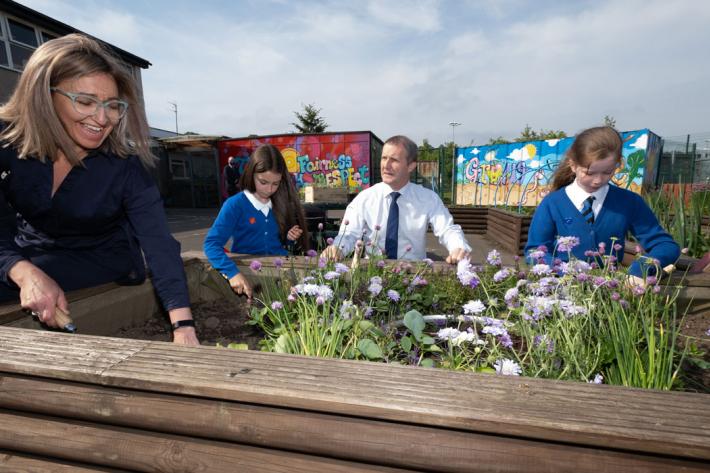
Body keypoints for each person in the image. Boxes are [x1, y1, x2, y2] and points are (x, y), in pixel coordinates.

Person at [0, 34, 198, 346]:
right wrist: (22, 271)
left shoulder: (125, 167)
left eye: (112, 105)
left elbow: (159, 244)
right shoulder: (7, 143)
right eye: (86, 101)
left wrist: (183, 325)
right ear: (45, 96)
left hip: (99, 258)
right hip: (26, 251)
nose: (103, 118)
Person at [524, 126, 680, 278]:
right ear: (573, 165)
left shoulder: (629, 202)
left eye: (608, 172)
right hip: (562, 294)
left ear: (617, 165)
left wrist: (643, 267)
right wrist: (564, 271)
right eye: (589, 173)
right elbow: (534, 252)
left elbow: (665, 245)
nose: (598, 180)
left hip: (609, 294)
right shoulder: (552, 204)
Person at [321, 135, 471, 264]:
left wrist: (458, 247)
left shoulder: (428, 199)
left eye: (394, 160)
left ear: (411, 166)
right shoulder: (365, 198)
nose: (386, 165)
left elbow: (447, 229)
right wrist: (337, 248)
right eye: (384, 158)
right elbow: (350, 234)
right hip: (371, 275)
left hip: (413, 276)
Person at [203, 144, 309, 300]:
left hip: (280, 272)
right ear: (251, 174)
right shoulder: (235, 205)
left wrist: (289, 239)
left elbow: (277, 243)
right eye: (263, 182)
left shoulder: (280, 201)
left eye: (276, 183)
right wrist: (232, 273)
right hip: (248, 274)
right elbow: (211, 244)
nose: (269, 189)